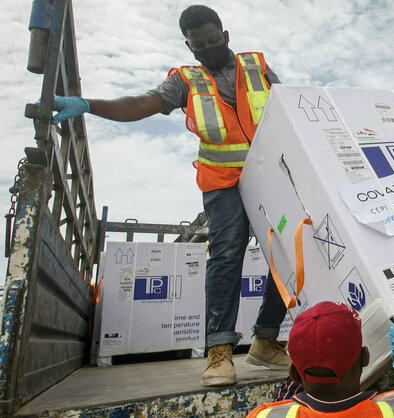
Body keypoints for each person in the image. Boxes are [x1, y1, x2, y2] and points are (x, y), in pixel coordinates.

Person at [46, 5, 289, 386]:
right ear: (189, 47)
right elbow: (141, 104)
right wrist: (89, 106)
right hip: (223, 182)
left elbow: (285, 108)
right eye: (199, 45)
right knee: (227, 254)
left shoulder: (256, 66)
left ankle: (266, 339)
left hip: (269, 176)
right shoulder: (186, 80)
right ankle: (220, 352)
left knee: (286, 251)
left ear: (225, 35)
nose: (208, 48)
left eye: (213, 40)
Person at [247, 302, 394, 417]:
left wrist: (310, 348)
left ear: (293, 374)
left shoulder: (265, 415)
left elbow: (284, 404)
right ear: (365, 357)